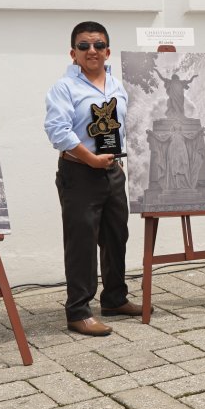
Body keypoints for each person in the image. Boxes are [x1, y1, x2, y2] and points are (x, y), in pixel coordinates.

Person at [44, 21, 143, 337]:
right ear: (73, 53)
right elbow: (57, 131)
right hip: (79, 172)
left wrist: (116, 160)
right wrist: (90, 159)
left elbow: (119, 126)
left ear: (107, 51)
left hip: (111, 171)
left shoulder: (115, 84)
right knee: (82, 243)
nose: (92, 51)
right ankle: (78, 311)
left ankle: (114, 299)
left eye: (98, 45)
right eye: (84, 46)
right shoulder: (64, 88)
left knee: (116, 237)